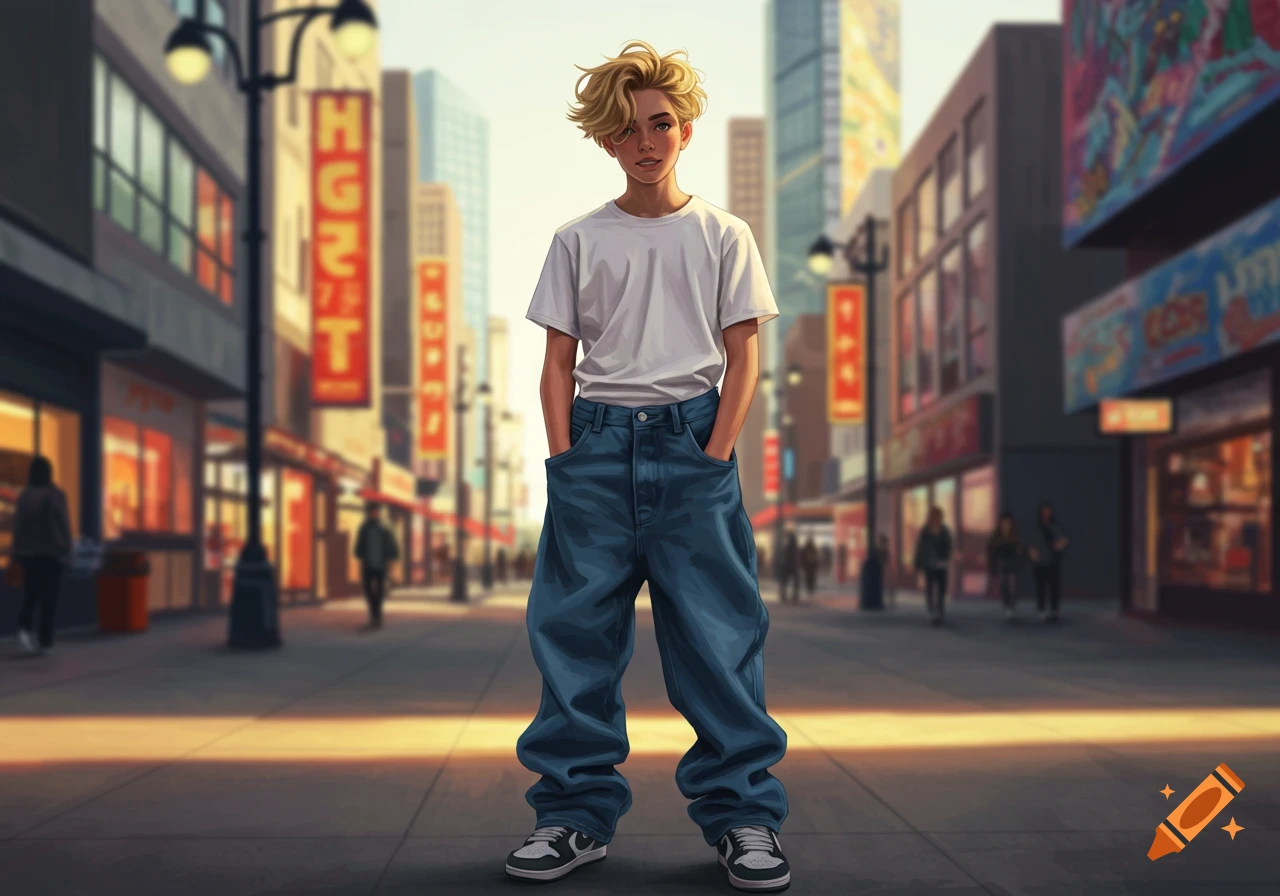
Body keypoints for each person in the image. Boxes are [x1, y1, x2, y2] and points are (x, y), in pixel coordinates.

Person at [506, 41, 790, 892]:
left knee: (719, 640)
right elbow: (557, 361)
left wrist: (715, 455)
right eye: (626, 131)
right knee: (573, 643)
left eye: (660, 124)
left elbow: (744, 359)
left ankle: (744, 819)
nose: (646, 141)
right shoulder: (577, 239)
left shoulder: (723, 234)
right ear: (606, 143)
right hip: (593, 447)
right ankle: (570, 818)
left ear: (686, 129)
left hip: (692, 445)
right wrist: (563, 458)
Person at [11, 456, 73, 655]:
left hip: (29, 554)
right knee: (50, 599)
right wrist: (68, 550)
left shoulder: (24, 496)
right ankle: (45, 641)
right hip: (51, 554)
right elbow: (63, 524)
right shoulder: (55, 495)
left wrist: (15, 552)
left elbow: (18, 527)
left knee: (31, 596)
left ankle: (24, 629)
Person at [353, 503, 398, 628]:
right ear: (369, 512)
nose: (374, 513)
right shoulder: (364, 528)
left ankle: (377, 615)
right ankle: (373, 614)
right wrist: (359, 553)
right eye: (372, 511)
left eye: (376, 511)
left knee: (379, 591)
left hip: (381, 564)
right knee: (368, 591)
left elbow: (392, 545)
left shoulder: (384, 528)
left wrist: (392, 558)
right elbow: (358, 546)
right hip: (367, 564)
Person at [1028, 501, 1068, 622]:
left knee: (1054, 587)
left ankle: (1054, 610)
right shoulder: (1037, 529)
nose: (1046, 514)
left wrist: (1059, 545)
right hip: (1040, 563)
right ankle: (1042, 610)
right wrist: (1034, 556)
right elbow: (1031, 545)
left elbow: (1064, 540)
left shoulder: (1056, 527)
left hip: (1053, 562)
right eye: (1044, 511)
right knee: (1041, 588)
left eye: (1048, 511)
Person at [913, 507, 953, 625]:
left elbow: (949, 546)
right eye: (933, 516)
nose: (935, 519)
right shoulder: (925, 531)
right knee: (930, 588)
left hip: (941, 564)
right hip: (929, 564)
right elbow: (920, 548)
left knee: (941, 589)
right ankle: (932, 612)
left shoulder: (945, 531)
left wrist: (946, 559)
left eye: (937, 516)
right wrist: (918, 564)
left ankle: (940, 612)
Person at [987, 512, 1023, 622]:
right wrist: (992, 567)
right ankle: (1007, 606)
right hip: (1001, 563)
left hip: (1013, 563)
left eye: (1008, 523)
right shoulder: (996, 536)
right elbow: (991, 550)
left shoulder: (1015, 535)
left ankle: (1011, 607)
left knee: (1012, 585)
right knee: (1003, 584)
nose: (1006, 525)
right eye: (1004, 523)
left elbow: (1020, 549)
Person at [779, 531, 801, 604]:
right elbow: (796, 557)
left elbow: (783, 556)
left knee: (784, 581)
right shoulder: (794, 547)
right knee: (795, 581)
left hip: (786, 565)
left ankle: (783, 596)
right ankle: (794, 596)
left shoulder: (786, 546)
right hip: (792, 565)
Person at [876, 534, 894, 606]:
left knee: (885, 587)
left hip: (883, 571)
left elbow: (887, 562)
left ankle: (888, 601)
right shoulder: (879, 551)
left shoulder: (885, 552)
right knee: (881, 587)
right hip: (879, 572)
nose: (885, 545)